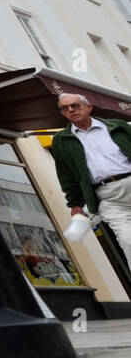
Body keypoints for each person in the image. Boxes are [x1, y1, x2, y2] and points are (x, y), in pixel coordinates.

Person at [51, 93, 131, 267]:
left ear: (89, 108)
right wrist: (75, 204)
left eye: (75, 105)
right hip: (108, 197)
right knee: (127, 240)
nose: (70, 110)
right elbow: (66, 175)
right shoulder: (61, 140)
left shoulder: (117, 126)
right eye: (65, 108)